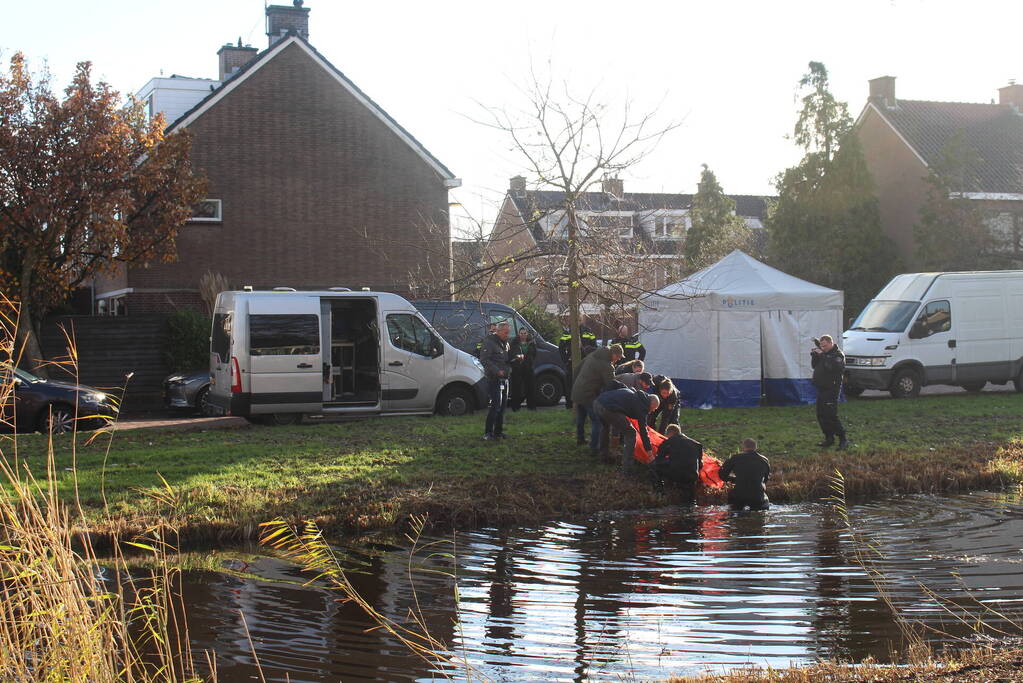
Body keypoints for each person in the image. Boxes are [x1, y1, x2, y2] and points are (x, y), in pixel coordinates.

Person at [593, 384, 659, 474]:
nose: (654, 411)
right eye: (655, 408)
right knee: (631, 433)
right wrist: (650, 454)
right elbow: (643, 431)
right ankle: (627, 468)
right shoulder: (642, 407)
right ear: (651, 403)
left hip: (598, 402)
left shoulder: (634, 393)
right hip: (609, 409)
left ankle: (603, 456)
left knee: (605, 428)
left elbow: (614, 383)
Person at [571, 343, 625, 452]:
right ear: (613, 354)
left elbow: (576, 370)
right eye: (618, 357)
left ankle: (580, 439)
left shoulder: (592, 355)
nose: (618, 360)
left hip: (577, 391)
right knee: (597, 421)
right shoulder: (607, 366)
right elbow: (611, 384)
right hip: (588, 395)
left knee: (581, 417)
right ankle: (594, 448)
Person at [811, 334, 848, 450]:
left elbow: (832, 367)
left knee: (831, 415)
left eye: (825, 346)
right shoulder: (824, 354)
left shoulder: (838, 355)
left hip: (832, 389)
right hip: (821, 388)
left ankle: (843, 439)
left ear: (831, 343)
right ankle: (829, 438)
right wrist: (815, 355)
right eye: (821, 346)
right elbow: (814, 366)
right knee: (821, 415)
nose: (823, 348)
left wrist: (822, 355)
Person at [651, 424, 703, 505]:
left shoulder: (668, 442)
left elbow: (659, 459)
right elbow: (700, 464)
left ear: (669, 433)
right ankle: (692, 502)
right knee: (691, 501)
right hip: (692, 476)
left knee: (654, 465)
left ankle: (660, 492)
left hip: (675, 474)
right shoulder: (697, 445)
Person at [480, 320, 511, 441]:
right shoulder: (489, 342)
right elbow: (484, 360)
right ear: (498, 331)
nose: (507, 335)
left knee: (502, 407)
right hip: (494, 379)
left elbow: (506, 360)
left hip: (505, 379)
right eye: (506, 332)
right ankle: (488, 432)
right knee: (496, 405)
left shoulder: (505, 343)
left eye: (508, 332)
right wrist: (497, 371)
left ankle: (498, 432)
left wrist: (514, 362)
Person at [719, 438, 771, 510]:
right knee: (761, 508)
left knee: (735, 511)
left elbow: (722, 475)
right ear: (756, 447)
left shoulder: (735, 458)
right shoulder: (764, 460)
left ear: (743, 447)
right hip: (757, 495)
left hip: (739, 494)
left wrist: (736, 480)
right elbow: (766, 479)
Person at [508, 327, 536, 411]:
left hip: (528, 368)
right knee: (517, 388)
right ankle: (516, 408)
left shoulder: (532, 342)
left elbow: (534, 354)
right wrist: (517, 357)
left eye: (525, 333)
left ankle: (531, 407)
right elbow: (511, 354)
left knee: (530, 388)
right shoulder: (514, 343)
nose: (523, 335)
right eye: (521, 333)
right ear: (518, 334)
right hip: (517, 368)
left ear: (527, 334)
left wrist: (530, 361)